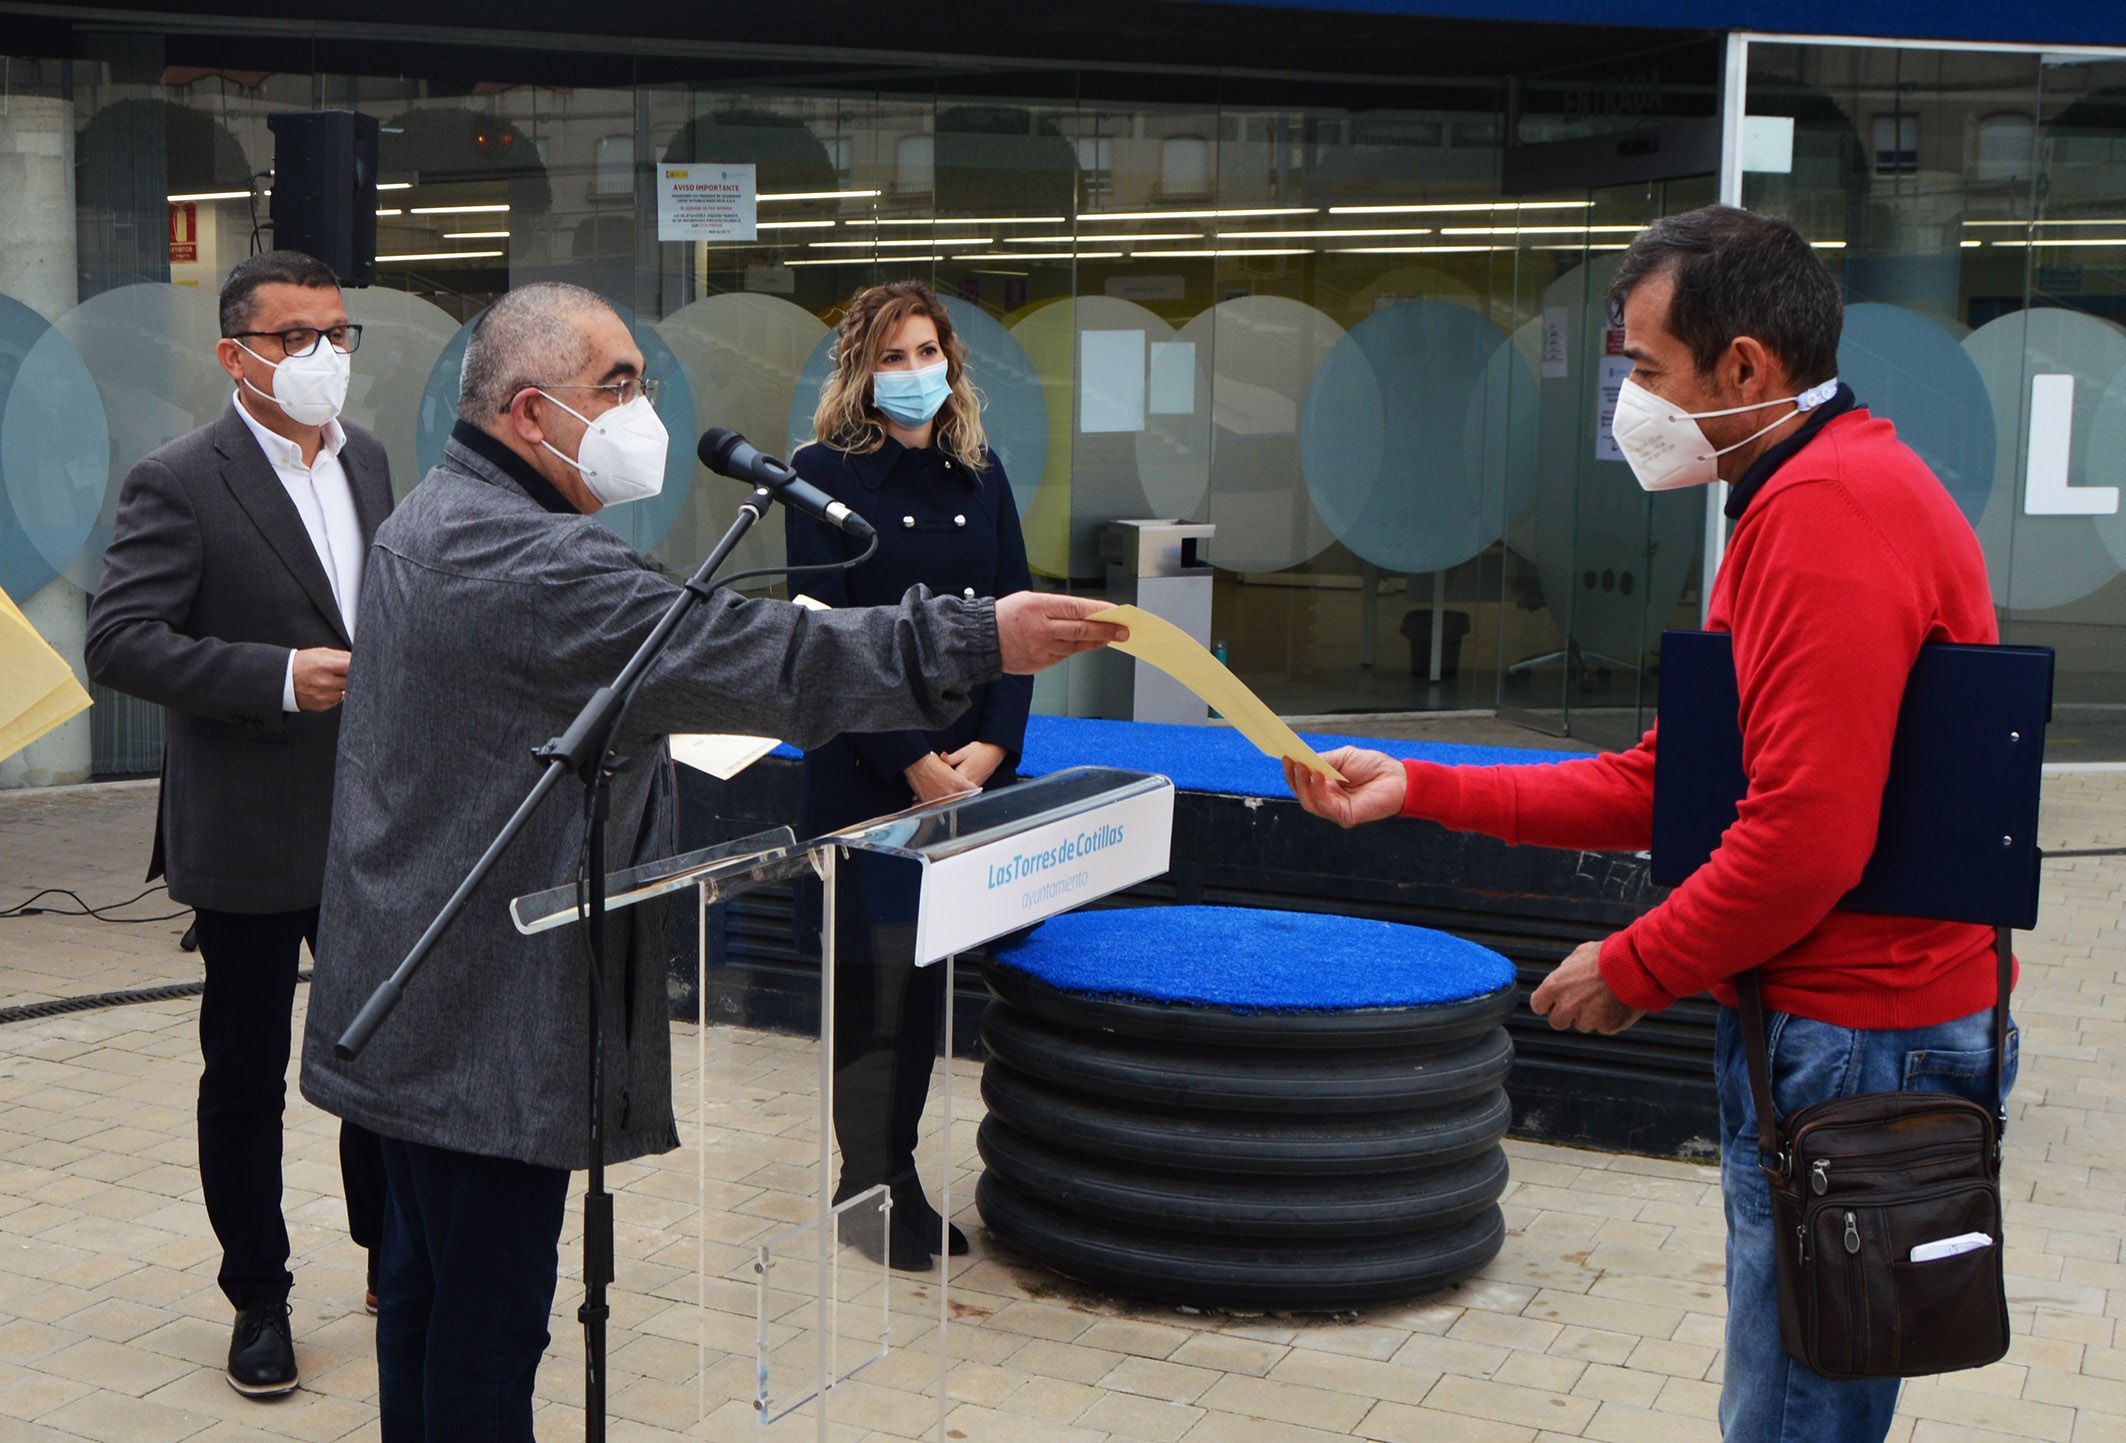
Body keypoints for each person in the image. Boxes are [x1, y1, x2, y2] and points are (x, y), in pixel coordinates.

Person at [295, 280, 1123, 1442]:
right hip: (487, 1024)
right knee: (484, 1340)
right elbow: (761, 652)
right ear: (532, 415)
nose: (643, 411)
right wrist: (980, 635)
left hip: (413, 1003)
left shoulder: (428, 517)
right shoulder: (538, 566)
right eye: (617, 387)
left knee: (426, 1306)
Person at [1283, 206, 2012, 1442]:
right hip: (1838, 1024)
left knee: (1793, 1410)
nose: (1626, 399)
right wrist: (1417, 783)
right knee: (1801, 1394)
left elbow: (1801, 838)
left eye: (1645, 369)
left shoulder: (1826, 513)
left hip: (1848, 1038)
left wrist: (1632, 968)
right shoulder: (1802, 489)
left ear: (1744, 368)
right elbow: (1665, 784)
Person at [85, 249, 390, 1397]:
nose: (323, 358)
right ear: (234, 354)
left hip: (371, 824)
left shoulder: (366, 462)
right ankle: (257, 1297)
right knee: (248, 1071)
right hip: (251, 827)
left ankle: (387, 1258)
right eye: (294, 338)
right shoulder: (181, 478)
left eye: (337, 335)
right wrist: (275, 674)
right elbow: (119, 640)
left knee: (379, 1054)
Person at [785, 280, 1033, 1271]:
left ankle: (903, 1179)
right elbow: (822, 642)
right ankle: (863, 1187)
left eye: (927, 352)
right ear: (858, 370)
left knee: (925, 998)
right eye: (892, 357)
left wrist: (990, 747)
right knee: (868, 1000)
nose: (913, 373)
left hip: (966, 780)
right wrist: (911, 761)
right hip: (866, 779)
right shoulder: (816, 476)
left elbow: (1017, 613)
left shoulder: (980, 472)